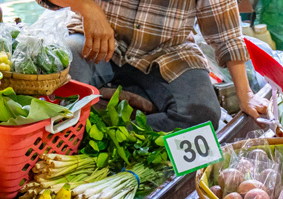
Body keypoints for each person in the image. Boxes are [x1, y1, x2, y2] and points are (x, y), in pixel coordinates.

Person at [35, 0, 269, 132]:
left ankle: (108, 132)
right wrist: (87, 7)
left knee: (202, 116)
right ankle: (88, 122)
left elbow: (225, 34)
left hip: (168, 52)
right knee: (52, 79)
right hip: (97, 40)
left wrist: (245, 94)